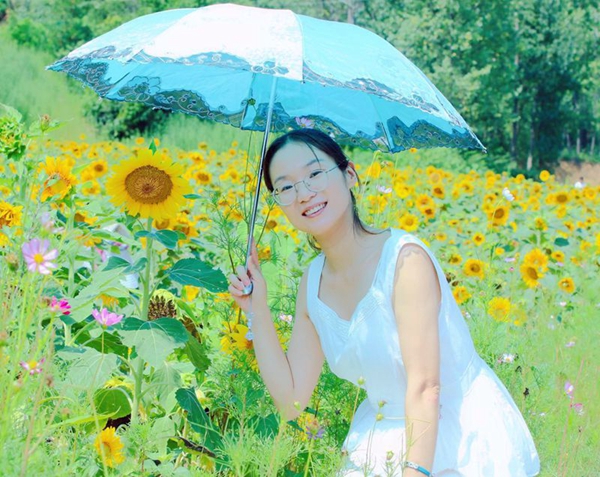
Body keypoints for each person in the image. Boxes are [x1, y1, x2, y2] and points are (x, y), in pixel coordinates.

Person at [228, 129, 540, 476]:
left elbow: (426, 388)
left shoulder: (404, 261)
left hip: (456, 434)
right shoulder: (312, 283)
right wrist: (257, 309)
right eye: (285, 187)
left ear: (349, 175)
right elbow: (291, 401)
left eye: (314, 173)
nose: (303, 194)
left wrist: (414, 472)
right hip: (384, 438)